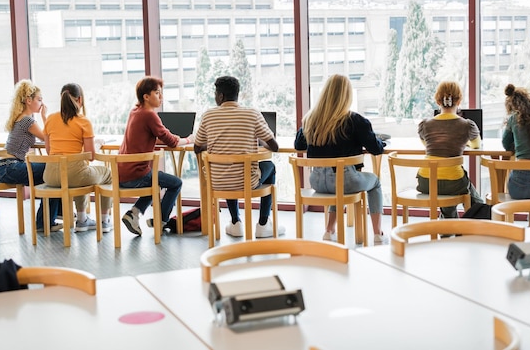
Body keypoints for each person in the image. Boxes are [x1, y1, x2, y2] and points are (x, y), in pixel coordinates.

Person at [295, 74, 386, 245]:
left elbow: (298, 145)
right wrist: (380, 140)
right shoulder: (355, 120)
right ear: (347, 95)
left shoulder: (310, 119)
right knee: (375, 182)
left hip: (316, 181)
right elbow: (376, 148)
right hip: (346, 180)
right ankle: (378, 233)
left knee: (338, 184)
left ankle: (329, 230)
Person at [193, 75, 285, 238]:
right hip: (246, 182)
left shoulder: (208, 115)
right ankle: (263, 224)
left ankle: (236, 222)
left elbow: (197, 147)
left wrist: (215, 144)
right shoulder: (252, 114)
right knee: (269, 166)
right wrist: (258, 141)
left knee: (229, 167)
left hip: (217, 181)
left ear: (221, 96)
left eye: (216, 93)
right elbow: (274, 147)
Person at [119, 77, 192, 236]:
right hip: (136, 174)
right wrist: (188, 139)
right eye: (157, 93)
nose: (161, 97)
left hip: (122, 173)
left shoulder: (135, 112)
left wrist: (166, 138)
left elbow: (151, 135)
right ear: (146, 96)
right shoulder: (149, 115)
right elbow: (172, 142)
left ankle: (134, 213)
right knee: (175, 183)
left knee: (155, 182)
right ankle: (162, 220)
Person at [43, 83, 113, 233]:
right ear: (80, 99)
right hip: (73, 174)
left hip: (50, 176)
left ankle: (83, 220)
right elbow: (91, 155)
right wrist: (96, 144)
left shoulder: (50, 119)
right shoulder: (83, 121)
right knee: (107, 174)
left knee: (82, 172)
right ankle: (104, 221)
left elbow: (49, 150)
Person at [0, 80, 63, 232]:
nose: (41, 103)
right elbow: (47, 137)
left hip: (3, 166)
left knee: (50, 178)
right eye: (39, 99)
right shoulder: (28, 121)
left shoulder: (20, 117)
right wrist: (46, 117)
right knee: (54, 172)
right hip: (10, 166)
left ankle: (48, 219)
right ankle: (50, 218)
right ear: (28, 100)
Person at [416, 81, 485, 218]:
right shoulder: (467, 125)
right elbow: (476, 145)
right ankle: (477, 218)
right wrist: (463, 143)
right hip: (452, 182)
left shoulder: (425, 125)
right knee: (459, 181)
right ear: (459, 101)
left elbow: (428, 146)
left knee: (449, 184)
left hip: (425, 181)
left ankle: (448, 226)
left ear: (437, 100)